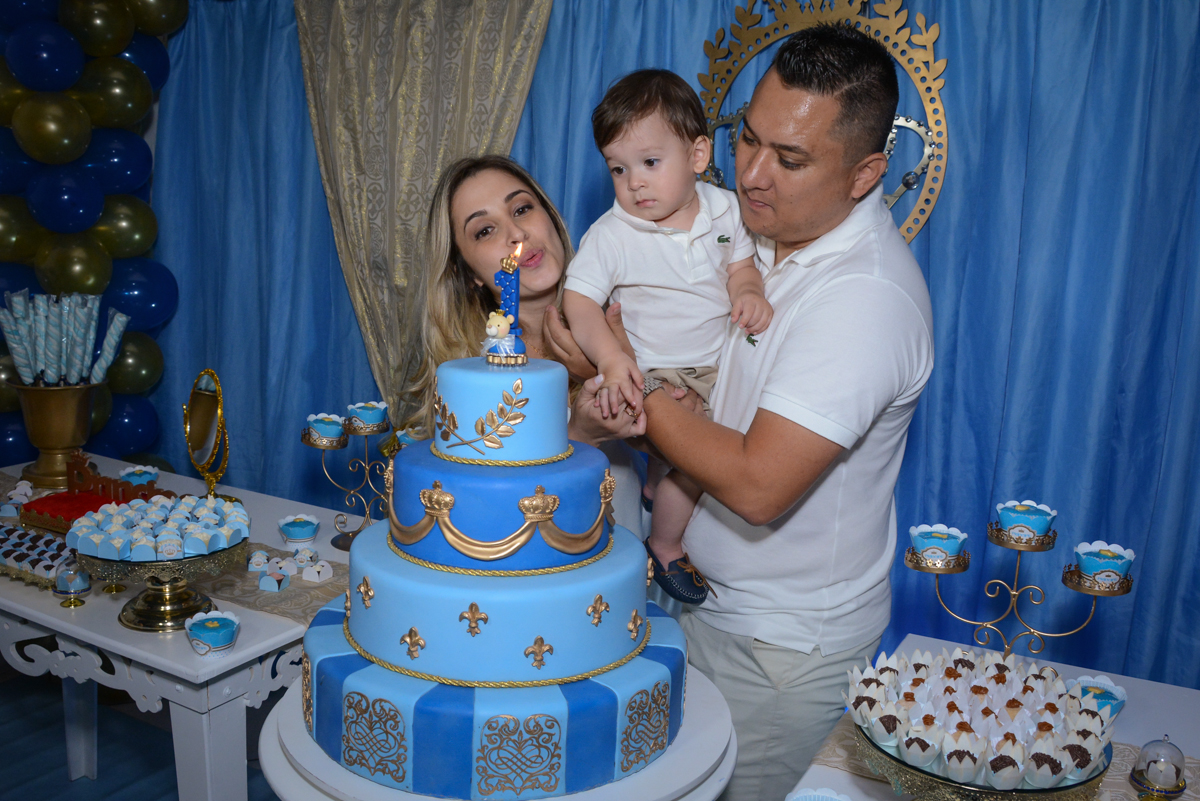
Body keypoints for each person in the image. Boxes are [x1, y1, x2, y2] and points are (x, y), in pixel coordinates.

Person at [631, 24, 934, 801]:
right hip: (696, 596)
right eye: (747, 140)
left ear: (866, 173)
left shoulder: (865, 296)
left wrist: (635, 393)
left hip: (777, 649)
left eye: (790, 159)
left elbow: (760, 485)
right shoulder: (759, 231)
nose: (753, 174)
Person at [563, 69, 772, 605]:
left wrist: (749, 291)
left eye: (650, 163)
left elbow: (741, 266)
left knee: (716, 454)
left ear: (698, 156)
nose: (634, 182)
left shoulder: (725, 209)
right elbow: (579, 302)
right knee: (695, 464)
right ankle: (666, 543)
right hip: (648, 370)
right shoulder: (612, 234)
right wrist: (611, 360)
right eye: (618, 168)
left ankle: (661, 480)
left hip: (714, 370)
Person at [397, 154, 656, 528]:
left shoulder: (627, 312)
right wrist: (581, 435)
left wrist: (617, 372)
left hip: (628, 560)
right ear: (466, 272)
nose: (516, 235)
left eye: (521, 209)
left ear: (549, 215)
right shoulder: (467, 376)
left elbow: (688, 453)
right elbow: (487, 514)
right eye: (484, 231)